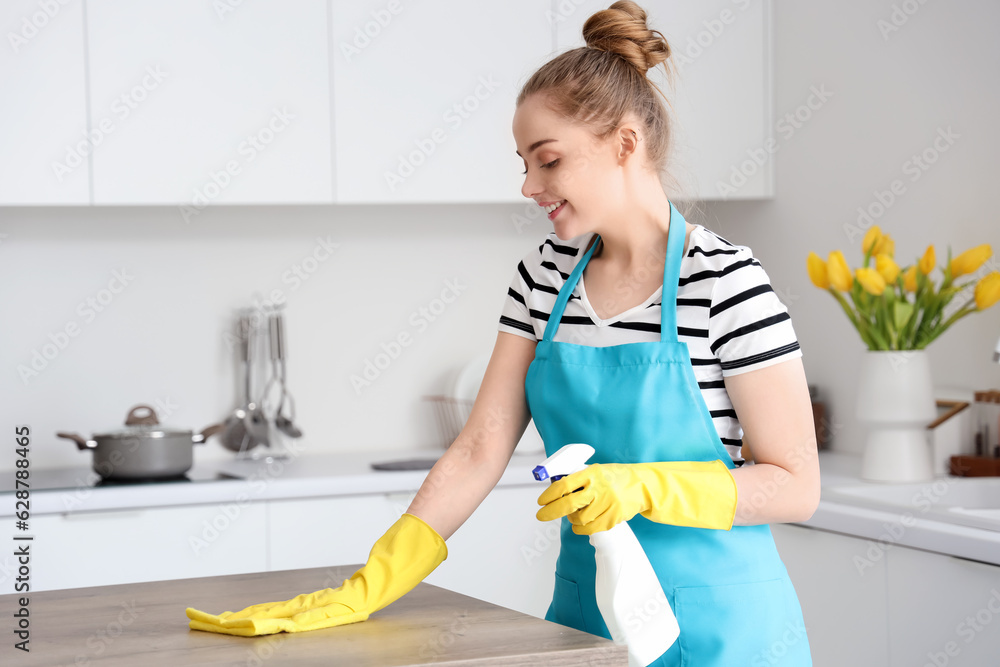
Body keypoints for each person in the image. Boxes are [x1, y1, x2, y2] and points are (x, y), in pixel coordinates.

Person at [186, 2, 820, 664]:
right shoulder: (545, 277)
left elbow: (795, 483)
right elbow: (480, 447)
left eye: (547, 161)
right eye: (523, 162)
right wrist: (376, 581)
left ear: (624, 144)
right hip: (586, 624)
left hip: (724, 630)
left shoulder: (724, 282)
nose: (528, 185)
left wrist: (643, 487)